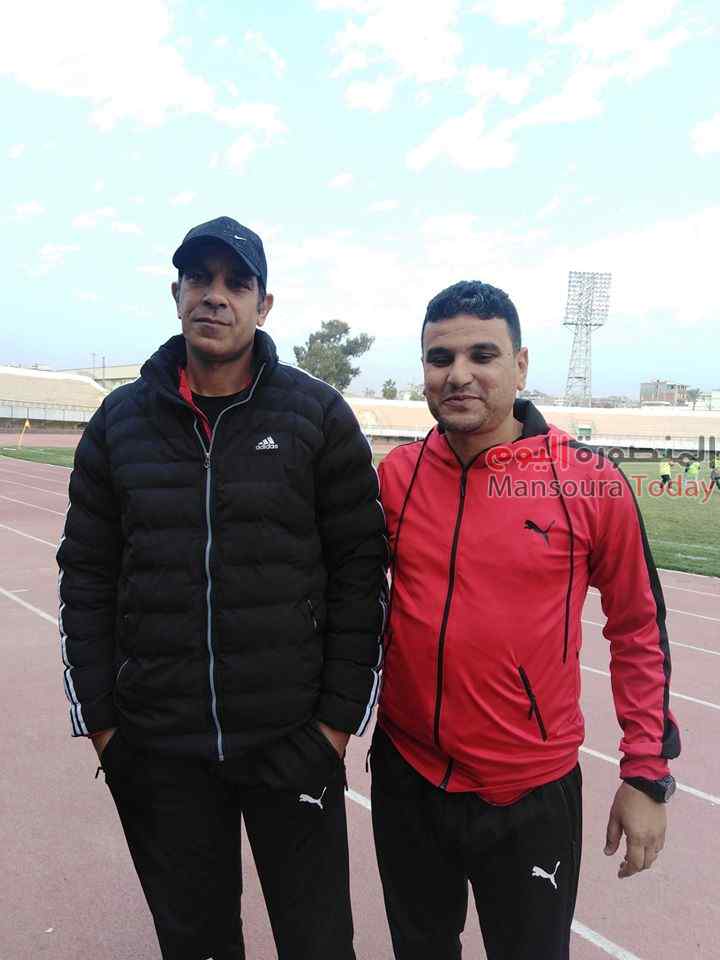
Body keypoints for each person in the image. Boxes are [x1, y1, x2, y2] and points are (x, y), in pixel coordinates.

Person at [57, 216, 387, 960]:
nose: (215, 296)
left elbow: (361, 573)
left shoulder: (316, 416)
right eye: (199, 279)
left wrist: (333, 728)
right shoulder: (119, 423)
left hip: (291, 742)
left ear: (263, 306)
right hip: (158, 749)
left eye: (236, 283)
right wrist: (106, 728)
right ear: (175, 293)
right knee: (196, 945)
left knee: (318, 943)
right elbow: (86, 575)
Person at [371, 281, 680, 960]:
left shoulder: (586, 480)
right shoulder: (397, 475)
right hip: (407, 774)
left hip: (529, 792)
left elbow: (637, 628)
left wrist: (646, 774)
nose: (458, 374)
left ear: (520, 365)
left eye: (482, 354)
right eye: (440, 357)